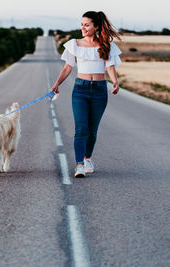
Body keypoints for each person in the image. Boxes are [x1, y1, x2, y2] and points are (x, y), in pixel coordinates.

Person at [51, 11, 122, 178]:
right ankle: (79, 165)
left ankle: (88, 157)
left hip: (99, 90)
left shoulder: (106, 45)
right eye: (81, 24)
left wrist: (115, 82)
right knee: (81, 129)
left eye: (86, 25)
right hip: (80, 90)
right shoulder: (74, 44)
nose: (82, 27)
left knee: (92, 130)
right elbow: (68, 67)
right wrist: (56, 84)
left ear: (96, 26)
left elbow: (110, 67)